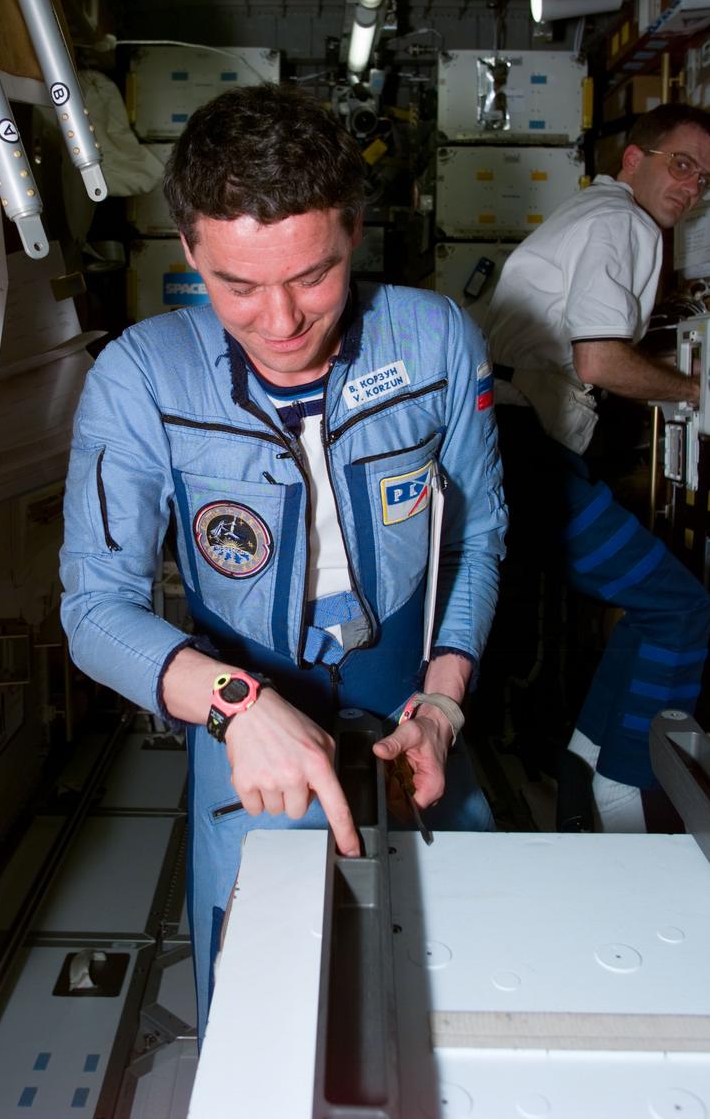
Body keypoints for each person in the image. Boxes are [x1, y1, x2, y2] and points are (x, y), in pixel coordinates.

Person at [60, 84, 506, 1029]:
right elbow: (93, 609)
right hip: (244, 716)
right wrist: (234, 705)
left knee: (469, 984)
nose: (279, 322)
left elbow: (475, 536)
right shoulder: (140, 376)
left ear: (356, 234)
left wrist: (442, 700)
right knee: (261, 1003)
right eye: (237, 284)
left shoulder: (434, 341)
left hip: (412, 702)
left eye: (314, 275)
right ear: (189, 251)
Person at [484, 103, 710, 833]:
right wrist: (695, 390)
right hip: (526, 453)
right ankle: (626, 793)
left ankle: (586, 770)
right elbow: (600, 359)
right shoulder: (624, 223)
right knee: (681, 610)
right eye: (681, 164)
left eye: (704, 178)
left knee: (655, 608)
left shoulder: (599, 215)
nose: (692, 187)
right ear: (632, 161)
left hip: (517, 440)